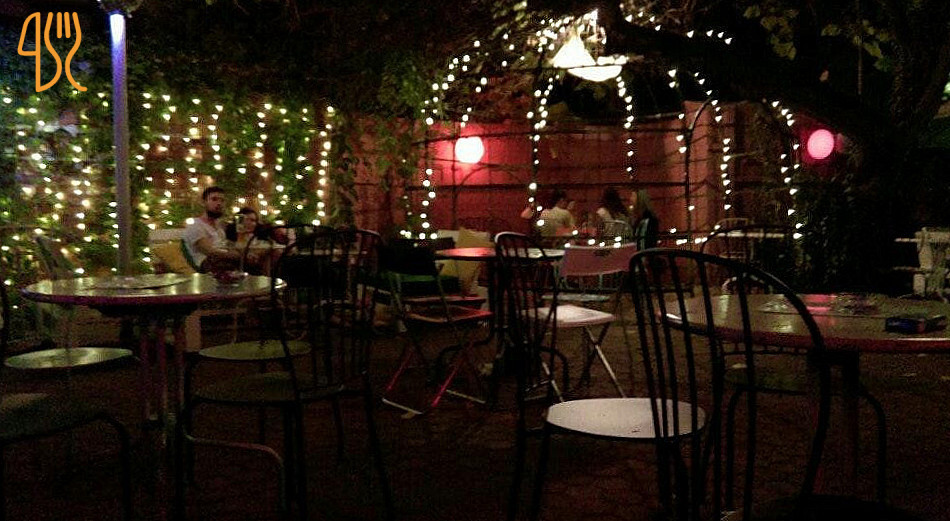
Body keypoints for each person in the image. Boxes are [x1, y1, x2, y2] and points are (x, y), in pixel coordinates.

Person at [183, 187, 243, 273]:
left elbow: (226, 246)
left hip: (224, 262)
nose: (219, 203)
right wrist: (238, 255)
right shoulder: (195, 225)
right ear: (204, 202)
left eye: (222, 200)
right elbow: (210, 251)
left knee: (255, 259)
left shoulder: (219, 228)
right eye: (214, 199)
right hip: (208, 266)